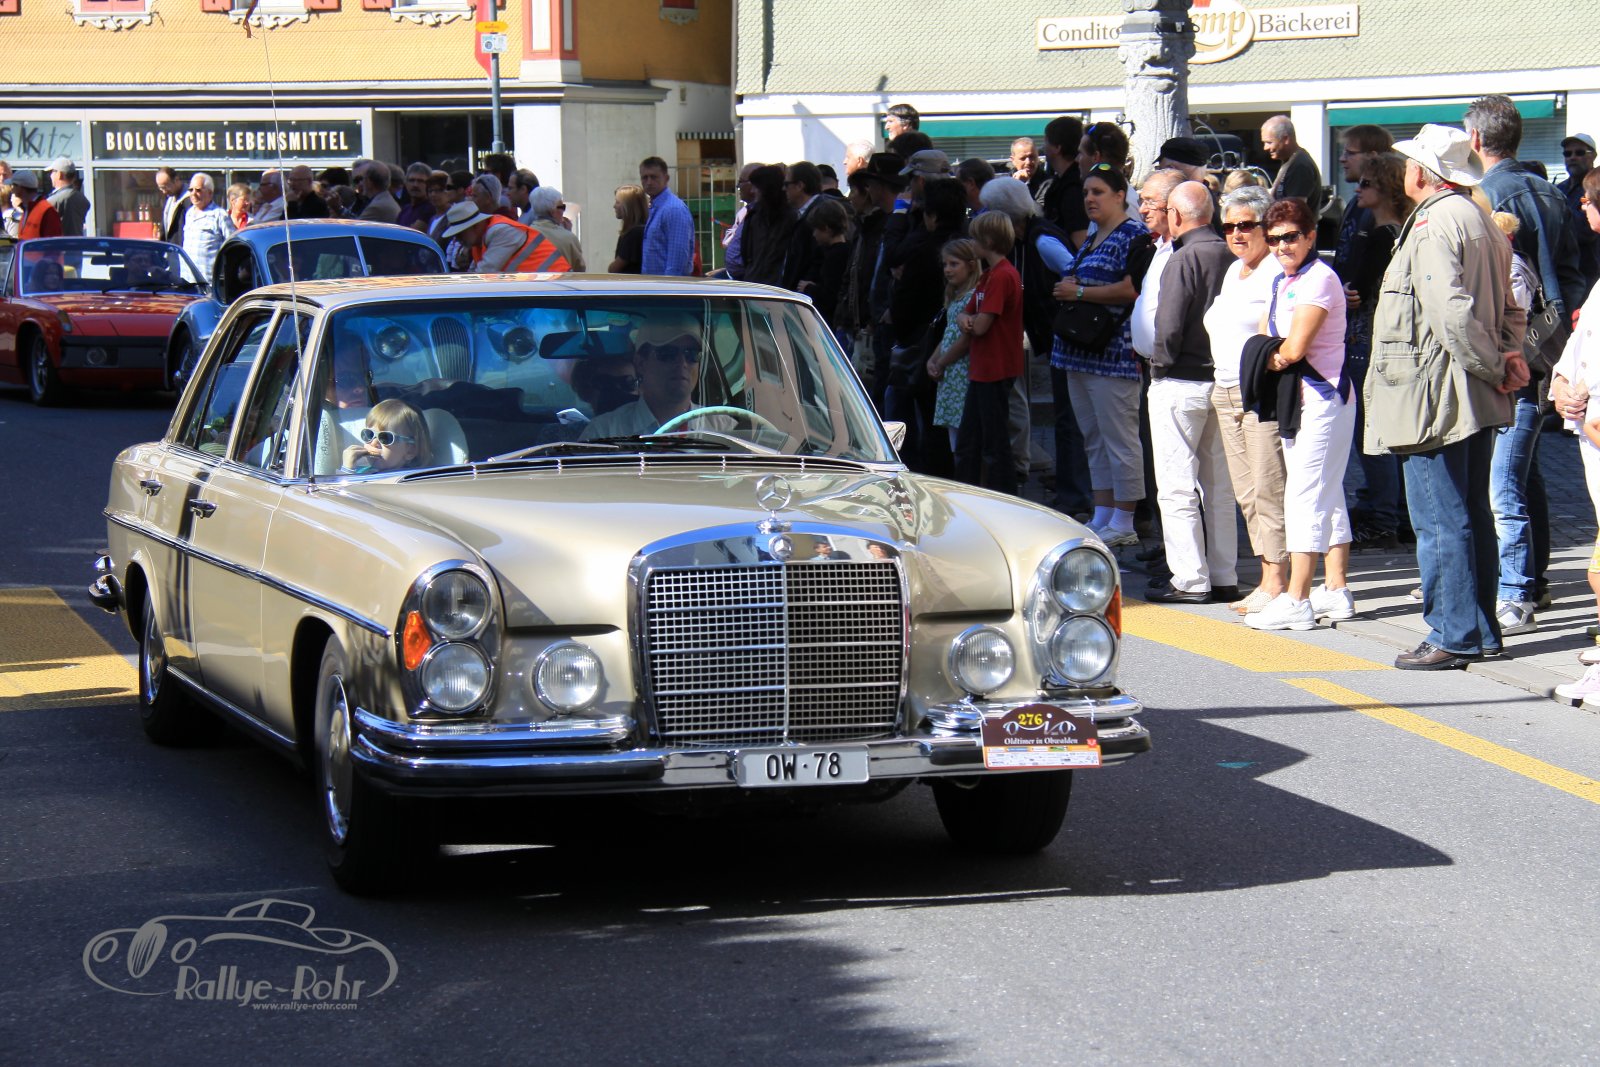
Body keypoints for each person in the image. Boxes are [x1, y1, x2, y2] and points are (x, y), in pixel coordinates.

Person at [1363, 124, 1528, 669]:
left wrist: (1495, 363)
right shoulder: (1477, 217)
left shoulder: (1436, 222)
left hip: (1435, 391)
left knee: (1440, 518)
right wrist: (1506, 357)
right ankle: (1477, 630)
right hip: (1464, 387)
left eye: (1410, 162)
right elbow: (1512, 305)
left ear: (1421, 172)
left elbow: (1450, 311)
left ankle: (1452, 634)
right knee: (1469, 513)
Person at [1465, 95, 1588, 636]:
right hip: (1552, 346)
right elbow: (1571, 275)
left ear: (1475, 139)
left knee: (1504, 484)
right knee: (1524, 471)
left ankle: (1517, 590)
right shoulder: (1550, 189)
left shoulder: (1489, 196)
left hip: (1519, 351)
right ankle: (1531, 580)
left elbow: (1505, 289)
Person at [1243, 197, 1355, 631]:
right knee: (1326, 492)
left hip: (1322, 398)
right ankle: (1336, 589)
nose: (1281, 247)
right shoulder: (1285, 279)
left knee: (1304, 496)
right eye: (1273, 239)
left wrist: (1267, 359)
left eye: (1290, 237)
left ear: (1311, 236)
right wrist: (1270, 354)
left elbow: (1291, 349)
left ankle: (1298, 599)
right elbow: (1267, 335)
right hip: (1301, 400)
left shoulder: (1319, 278)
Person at [1144, 181, 1239, 604]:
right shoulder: (1230, 253)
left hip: (1180, 380)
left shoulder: (1183, 257)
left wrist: (1159, 367)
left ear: (1177, 215)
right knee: (1219, 486)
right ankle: (1223, 574)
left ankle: (1190, 578)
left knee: (1176, 484)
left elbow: (1168, 326)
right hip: (1221, 378)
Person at [1052, 162, 1148, 544]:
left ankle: (1125, 520)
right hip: (1078, 354)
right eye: (1086, 192)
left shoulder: (1133, 234)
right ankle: (1104, 513)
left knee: (1120, 440)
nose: (1089, 199)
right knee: (1093, 438)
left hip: (1113, 355)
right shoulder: (1093, 235)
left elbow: (1131, 289)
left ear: (1120, 195)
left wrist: (1078, 292)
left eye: (1098, 192)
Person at [1205, 185, 1288, 615]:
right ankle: (1267, 573)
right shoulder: (1234, 270)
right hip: (1224, 388)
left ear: (1264, 226)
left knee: (1268, 487)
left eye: (1245, 225)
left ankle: (1278, 579)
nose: (1236, 234)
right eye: (1228, 227)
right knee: (1245, 492)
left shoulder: (1275, 269)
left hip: (1257, 389)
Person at [1550, 166, 1600, 702]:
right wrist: (1561, 385)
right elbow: (1575, 349)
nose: (1582, 208)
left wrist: (1588, 417)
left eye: (1588, 200)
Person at [952, 211, 1023, 494]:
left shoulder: (1002, 275)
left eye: (975, 238)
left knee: (994, 442)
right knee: (970, 439)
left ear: (988, 241)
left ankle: (1004, 495)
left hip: (996, 367)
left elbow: (980, 325)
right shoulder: (988, 276)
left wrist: (969, 322)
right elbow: (966, 314)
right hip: (982, 368)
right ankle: (968, 491)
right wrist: (967, 320)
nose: (971, 244)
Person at [582, 312, 704, 439]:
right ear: (640, 363)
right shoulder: (603, 433)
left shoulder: (718, 429)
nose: (682, 363)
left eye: (692, 354)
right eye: (668, 354)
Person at [925, 237, 982, 450]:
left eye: (954, 264)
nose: (947, 270)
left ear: (971, 265)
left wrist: (941, 363)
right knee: (955, 439)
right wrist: (932, 359)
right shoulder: (956, 296)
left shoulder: (972, 297)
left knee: (964, 438)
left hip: (961, 372)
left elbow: (964, 340)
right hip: (951, 373)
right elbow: (949, 334)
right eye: (945, 264)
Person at [438, 201, 573, 273]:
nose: (457, 239)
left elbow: (484, 274)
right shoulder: (480, 243)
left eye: (460, 233)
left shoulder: (501, 232)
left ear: (475, 226)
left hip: (556, 287)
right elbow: (475, 275)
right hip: (544, 289)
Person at [739, 164, 796, 287]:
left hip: (778, 288)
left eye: (756, 187)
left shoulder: (791, 218)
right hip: (754, 283)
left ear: (766, 189)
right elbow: (747, 253)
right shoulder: (754, 216)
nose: (752, 191)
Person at [1036, 116, 1088, 247]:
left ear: (1057, 148)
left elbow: (1080, 239)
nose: (1043, 147)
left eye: (1046, 141)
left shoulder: (1073, 188)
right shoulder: (1061, 182)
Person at [341, 399, 432, 474]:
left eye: (385, 438)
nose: (374, 443)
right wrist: (347, 468)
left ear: (410, 451)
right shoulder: (360, 472)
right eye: (369, 434)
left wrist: (348, 472)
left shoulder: (410, 480)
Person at [1556, 133, 1600, 291]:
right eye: (1567, 154)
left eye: (1579, 152)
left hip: (1588, 275)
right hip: (1562, 275)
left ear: (1593, 156)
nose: (1572, 157)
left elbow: (1585, 231)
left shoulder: (1596, 188)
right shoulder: (1558, 189)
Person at [638, 156, 695, 276]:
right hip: (654, 284)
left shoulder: (673, 209)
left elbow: (677, 264)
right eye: (644, 177)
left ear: (666, 178)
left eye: (654, 177)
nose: (649, 182)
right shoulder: (657, 207)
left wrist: (669, 286)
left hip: (666, 285)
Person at [805, 197, 851, 333]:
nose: (814, 234)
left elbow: (830, 294)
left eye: (816, 229)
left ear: (827, 229)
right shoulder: (850, 248)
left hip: (830, 323)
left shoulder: (835, 256)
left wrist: (809, 288)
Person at [780, 161, 826, 293]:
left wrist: (806, 288)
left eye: (786, 184)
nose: (783, 189)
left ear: (800, 186)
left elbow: (818, 257)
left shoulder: (820, 213)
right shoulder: (801, 214)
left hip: (806, 294)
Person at [1261, 115, 1323, 207]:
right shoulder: (1291, 161)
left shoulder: (1300, 166)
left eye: (1269, 142)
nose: (1265, 148)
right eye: (1264, 143)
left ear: (1286, 139)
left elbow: (1294, 209)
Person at [181, 173, 235, 277]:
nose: (193, 194)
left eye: (198, 190)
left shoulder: (219, 215)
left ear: (210, 193)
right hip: (188, 278)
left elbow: (232, 245)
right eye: (191, 190)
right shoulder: (189, 213)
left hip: (209, 279)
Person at [526, 187, 587, 271]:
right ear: (553, 211)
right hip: (562, 279)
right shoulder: (569, 238)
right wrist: (567, 234)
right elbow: (580, 268)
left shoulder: (524, 234)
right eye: (562, 207)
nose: (564, 211)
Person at [717, 163, 758, 279]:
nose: (738, 186)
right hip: (735, 275)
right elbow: (727, 240)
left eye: (741, 182)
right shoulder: (744, 212)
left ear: (753, 184)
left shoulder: (761, 214)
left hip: (748, 279)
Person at [610, 184, 648, 274]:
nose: (614, 206)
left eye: (618, 202)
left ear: (628, 206)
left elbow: (614, 268)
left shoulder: (634, 233)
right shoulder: (641, 229)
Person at [11, 171, 61, 239]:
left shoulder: (47, 210)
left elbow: (53, 242)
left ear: (20, 188)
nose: (11, 189)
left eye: (13, 185)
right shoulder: (27, 208)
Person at [47, 158, 90, 237]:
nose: (50, 175)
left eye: (52, 172)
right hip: (77, 242)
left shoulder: (54, 200)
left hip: (60, 243)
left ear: (59, 174)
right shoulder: (81, 197)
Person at [154, 166, 189, 243]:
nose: (164, 191)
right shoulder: (169, 199)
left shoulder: (190, 200)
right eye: (161, 188)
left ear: (176, 180)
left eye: (166, 187)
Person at [395, 163, 435, 230]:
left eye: (421, 181)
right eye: (412, 180)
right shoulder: (404, 210)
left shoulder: (431, 209)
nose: (415, 185)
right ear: (406, 183)